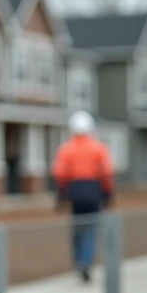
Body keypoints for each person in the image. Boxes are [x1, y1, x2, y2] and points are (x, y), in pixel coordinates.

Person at [52, 110, 115, 283]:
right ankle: (86, 261)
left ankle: (79, 259)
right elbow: (107, 172)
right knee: (91, 228)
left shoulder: (67, 149)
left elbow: (60, 174)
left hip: (75, 190)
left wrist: (60, 196)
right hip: (94, 189)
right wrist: (108, 194)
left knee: (77, 226)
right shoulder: (98, 148)